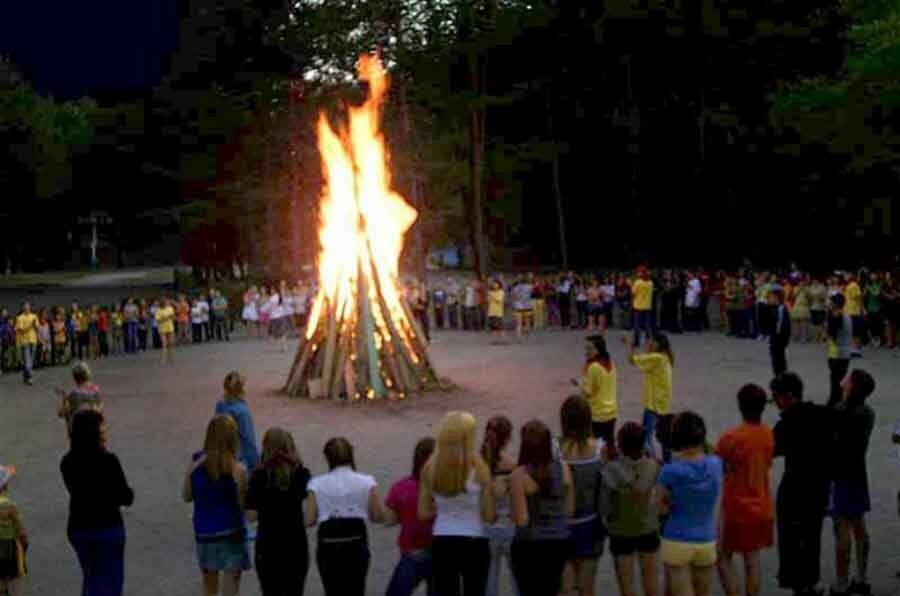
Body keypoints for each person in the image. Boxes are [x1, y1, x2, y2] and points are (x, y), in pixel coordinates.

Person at [419, 411, 495, 596]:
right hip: (474, 540)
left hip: (442, 540)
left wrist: (443, 507)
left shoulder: (430, 469)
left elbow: (423, 513)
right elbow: (488, 515)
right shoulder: (479, 470)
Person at [770, 372, 833, 596]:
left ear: (786, 396)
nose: (775, 402)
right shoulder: (822, 414)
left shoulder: (786, 423)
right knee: (812, 536)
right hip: (819, 486)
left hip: (795, 488)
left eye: (776, 397)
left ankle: (799, 582)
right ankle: (812, 579)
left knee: (791, 539)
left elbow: (770, 450)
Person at [62, 410, 134, 596]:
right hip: (108, 527)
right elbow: (125, 497)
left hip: (80, 527)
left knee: (91, 577)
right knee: (112, 580)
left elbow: (76, 490)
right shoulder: (109, 461)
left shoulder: (67, 462)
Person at [305, 437, 385, 596]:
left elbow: (309, 520)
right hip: (356, 542)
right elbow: (378, 516)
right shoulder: (367, 481)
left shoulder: (317, 483)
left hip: (328, 545)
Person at [715, 384, 775, 596]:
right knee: (752, 559)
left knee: (722, 556)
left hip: (737, 505)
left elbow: (718, 464)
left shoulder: (731, 437)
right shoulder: (767, 433)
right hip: (761, 503)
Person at [656, 412, 723, 596]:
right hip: (707, 539)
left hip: (677, 539)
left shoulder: (669, 471)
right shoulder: (716, 464)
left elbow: (659, 507)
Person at [183, 415, 250, 596]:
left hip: (205, 533)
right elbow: (243, 505)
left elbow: (186, 496)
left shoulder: (196, 462)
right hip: (231, 532)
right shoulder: (238, 469)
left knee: (209, 586)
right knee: (230, 588)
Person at [509, 420, 575, 596]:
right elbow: (569, 510)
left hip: (529, 546)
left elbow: (521, 520)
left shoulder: (519, 476)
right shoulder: (564, 468)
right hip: (558, 542)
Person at [245, 427, 312, 596]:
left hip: (267, 546)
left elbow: (251, 516)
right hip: (295, 544)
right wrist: (295, 462)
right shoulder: (301, 475)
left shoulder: (258, 477)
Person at [828, 370, 876, 596]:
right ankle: (862, 576)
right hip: (858, 472)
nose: (843, 380)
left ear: (852, 387)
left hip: (840, 474)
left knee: (842, 529)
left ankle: (841, 582)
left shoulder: (839, 412)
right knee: (859, 525)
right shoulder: (868, 414)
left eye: (848, 378)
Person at [604, 423, 660, 596]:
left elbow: (604, 506)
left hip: (621, 531)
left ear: (620, 445)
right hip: (648, 527)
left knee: (626, 584)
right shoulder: (653, 466)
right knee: (651, 580)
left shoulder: (611, 469)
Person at [558, 397, 605, 596]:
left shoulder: (555, 449)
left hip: (561, 524)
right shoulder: (600, 450)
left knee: (565, 587)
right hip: (590, 524)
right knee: (587, 587)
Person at [384, 437, 437, 596]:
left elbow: (389, 520)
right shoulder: (448, 486)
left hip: (412, 551)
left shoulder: (401, 487)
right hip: (442, 551)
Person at [481, 416, 518, 596]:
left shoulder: (477, 465)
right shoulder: (511, 465)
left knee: (489, 582)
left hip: (485, 528)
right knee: (517, 579)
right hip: (509, 527)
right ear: (507, 439)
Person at [622, 333, 674, 459]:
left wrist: (627, 343)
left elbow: (631, 359)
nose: (648, 344)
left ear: (657, 344)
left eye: (651, 342)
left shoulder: (656, 358)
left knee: (646, 436)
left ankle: (651, 461)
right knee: (664, 435)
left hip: (653, 403)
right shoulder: (665, 358)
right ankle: (668, 462)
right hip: (662, 402)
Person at [215, 372, 260, 473]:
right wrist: (255, 462)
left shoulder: (220, 405)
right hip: (239, 456)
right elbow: (248, 438)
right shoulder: (242, 411)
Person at [578, 334, 618, 444]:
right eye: (586, 348)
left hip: (597, 414)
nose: (586, 351)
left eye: (589, 348)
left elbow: (588, 393)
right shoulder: (611, 363)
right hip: (612, 411)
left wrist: (579, 384)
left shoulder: (593, 367)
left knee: (596, 447)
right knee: (609, 443)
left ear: (598, 349)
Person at [0, 464, 27, 596]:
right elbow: (20, 530)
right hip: (9, 548)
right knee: (14, 585)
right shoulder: (9, 506)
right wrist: (24, 542)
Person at [55, 361, 103, 436]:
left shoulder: (73, 394)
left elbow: (60, 413)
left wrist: (62, 398)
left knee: (69, 412)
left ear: (75, 377)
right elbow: (100, 408)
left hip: (78, 430)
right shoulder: (96, 390)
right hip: (95, 428)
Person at [826, 294, 853, 407]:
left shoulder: (837, 317)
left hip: (837, 353)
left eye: (830, 302)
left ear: (835, 304)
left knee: (835, 381)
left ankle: (834, 403)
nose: (828, 304)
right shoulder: (846, 316)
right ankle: (838, 401)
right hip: (845, 353)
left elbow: (830, 334)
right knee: (840, 380)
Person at [14, 302, 39, 385]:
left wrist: (35, 325)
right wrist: (30, 325)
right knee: (28, 360)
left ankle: (25, 375)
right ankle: (30, 378)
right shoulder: (20, 317)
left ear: (30, 307)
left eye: (28, 306)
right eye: (25, 307)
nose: (27, 308)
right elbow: (22, 330)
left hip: (33, 340)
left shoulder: (34, 316)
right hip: (25, 341)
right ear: (22, 308)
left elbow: (37, 328)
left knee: (30, 360)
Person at [769, 287, 791, 377]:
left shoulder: (782, 309)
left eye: (771, 297)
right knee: (775, 360)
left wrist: (784, 341)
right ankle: (778, 376)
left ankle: (781, 377)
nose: (770, 299)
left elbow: (786, 326)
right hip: (775, 338)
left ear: (776, 298)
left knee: (779, 361)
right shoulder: (774, 308)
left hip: (779, 339)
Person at [631, 267, 654, 347]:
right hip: (647, 306)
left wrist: (632, 283)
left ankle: (636, 341)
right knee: (647, 324)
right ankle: (649, 339)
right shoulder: (650, 283)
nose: (637, 273)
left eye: (638, 272)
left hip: (638, 306)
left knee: (637, 325)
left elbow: (633, 292)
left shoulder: (638, 282)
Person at [843, 273, 864, 358]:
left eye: (846, 274)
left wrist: (862, 309)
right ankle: (853, 349)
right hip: (848, 311)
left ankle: (856, 350)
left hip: (854, 311)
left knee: (855, 331)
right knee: (851, 331)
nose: (845, 276)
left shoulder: (854, 285)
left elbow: (858, 297)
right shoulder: (848, 285)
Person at [156, 297, 176, 365]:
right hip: (162, 329)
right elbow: (158, 320)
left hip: (170, 328)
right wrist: (166, 317)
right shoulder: (158, 310)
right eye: (165, 302)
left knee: (170, 344)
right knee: (164, 344)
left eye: (166, 302)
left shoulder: (170, 308)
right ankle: (163, 359)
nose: (166, 303)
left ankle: (171, 358)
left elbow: (173, 318)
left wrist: (172, 316)